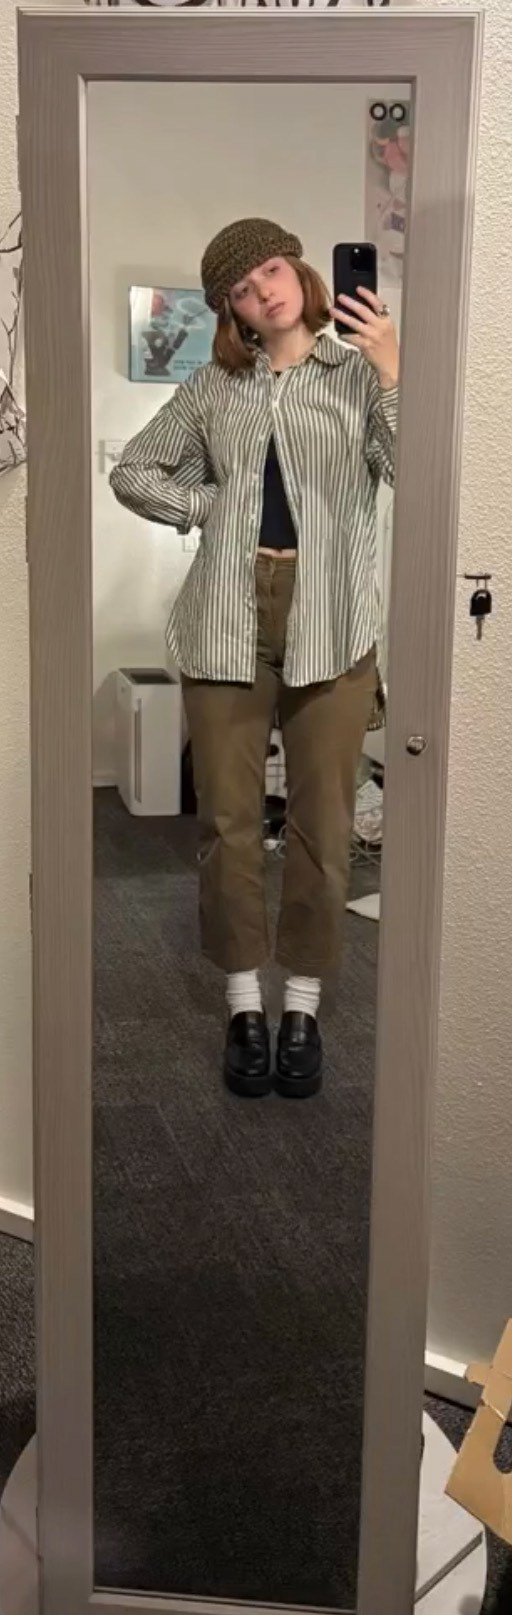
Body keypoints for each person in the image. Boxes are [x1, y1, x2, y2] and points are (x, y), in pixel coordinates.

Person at [110, 217, 399, 1100]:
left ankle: (301, 1007)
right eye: (240, 288)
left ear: (299, 271)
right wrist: (211, 504)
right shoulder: (212, 388)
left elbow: (413, 467)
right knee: (228, 822)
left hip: (332, 617)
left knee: (324, 825)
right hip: (225, 617)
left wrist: (392, 368)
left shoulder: (356, 375)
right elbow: (133, 470)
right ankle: (244, 1005)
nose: (262, 290)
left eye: (270, 269)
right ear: (229, 310)